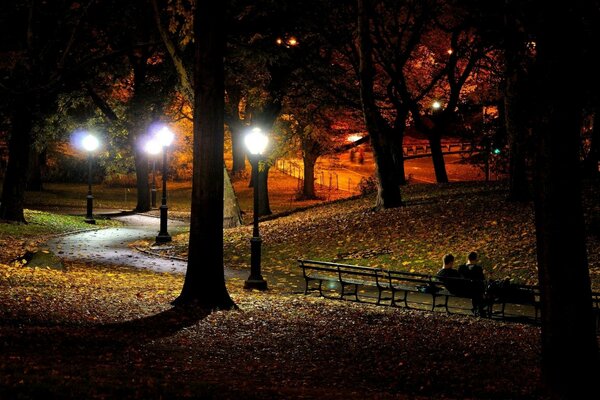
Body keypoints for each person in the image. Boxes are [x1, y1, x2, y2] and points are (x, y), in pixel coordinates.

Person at [458, 251, 488, 316]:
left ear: (467, 258)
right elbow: (482, 280)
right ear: (475, 259)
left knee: (477, 291)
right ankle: (479, 309)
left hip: (462, 290)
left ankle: (477, 308)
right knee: (478, 291)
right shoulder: (478, 268)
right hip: (475, 291)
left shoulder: (461, 267)